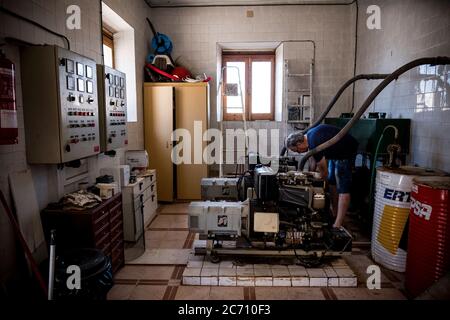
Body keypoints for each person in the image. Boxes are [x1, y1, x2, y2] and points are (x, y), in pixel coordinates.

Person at [286, 124, 359, 229]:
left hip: (346, 152)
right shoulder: (308, 137)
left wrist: (321, 186)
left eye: (297, 150)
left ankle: (338, 224)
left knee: (343, 188)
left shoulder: (314, 142)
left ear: (299, 143)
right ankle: (334, 214)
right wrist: (309, 174)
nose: (299, 152)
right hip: (336, 153)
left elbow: (323, 171)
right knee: (332, 183)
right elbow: (313, 160)